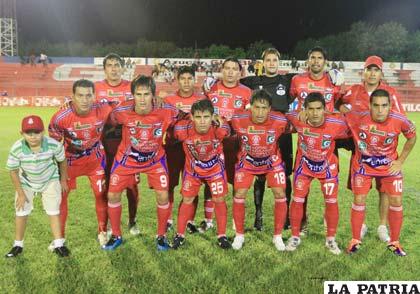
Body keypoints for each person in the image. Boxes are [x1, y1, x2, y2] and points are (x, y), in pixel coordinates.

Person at [103, 75, 181, 251]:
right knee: (112, 195)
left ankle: (161, 237)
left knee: (163, 195)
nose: (142, 99)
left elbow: (184, 117)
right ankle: (116, 235)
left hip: (155, 160)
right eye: (138, 94)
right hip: (126, 160)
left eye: (147, 94)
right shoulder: (122, 110)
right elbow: (107, 121)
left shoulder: (166, 109)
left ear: (153, 95)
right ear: (133, 95)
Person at [337, 55, 406, 242]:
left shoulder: (389, 93)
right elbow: (339, 103)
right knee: (360, 191)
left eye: (376, 70)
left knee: (384, 190)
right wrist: (342, 106)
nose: (372, 73)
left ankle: (382, 226)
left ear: (381, 73)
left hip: (385, 153)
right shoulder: (354, 91)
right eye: (369, 69)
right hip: (361, 152)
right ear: (364, 72)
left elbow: (401, 118)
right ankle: (362, 225)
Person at [346, 89, 416, 256]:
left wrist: (400, 161)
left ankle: (394, 242)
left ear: (390, 106)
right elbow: (332, 116)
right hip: (363, 165)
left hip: (389, 167)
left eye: (384, 106)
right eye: (376, 106)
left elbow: (412, 137)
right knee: (359, 198)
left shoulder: (400, 120)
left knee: (396, 200)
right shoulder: (357, 117)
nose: (380, 110)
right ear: (369, 106)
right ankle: (355, 240)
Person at [49, 79, 112, 246]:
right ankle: (59, 238)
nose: (85, 100)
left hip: (95, 160)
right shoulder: (60, 117)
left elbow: (128, 103)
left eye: (88, 95)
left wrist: (158, 98)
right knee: (61, 198)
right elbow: (53, 146)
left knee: (101, 194)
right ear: (73, 97)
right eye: (80, 96)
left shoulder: (104, 108)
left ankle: (103, 231)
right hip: (70, 162)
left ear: (94, 96)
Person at [285, 93, 348, 255]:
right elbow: (286, 113)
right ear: (305, 110)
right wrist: (297, 111)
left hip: (327, 168)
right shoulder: (298, 118)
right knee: (297, 199)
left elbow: (355, 123)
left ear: (325, 109)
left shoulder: (337, 123)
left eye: (318, 109)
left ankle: (330, 240)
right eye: (310, 109)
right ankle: (294, 236)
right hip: (304, 167)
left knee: (331, 201)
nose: (314, 113)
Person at [240, 48, 294, 231]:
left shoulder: (286, 80)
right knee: (260, 175)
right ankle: (258, 214)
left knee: (285, 176)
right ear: (262, 63)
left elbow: (308, 79)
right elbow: (231, 85)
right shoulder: (254, 81)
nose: (271, 63)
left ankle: (286, 216)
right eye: (268, 60)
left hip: (283, 135)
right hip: (261, 135)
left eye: (274, 60)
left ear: (279, 62)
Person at [230, 89, 288, 250]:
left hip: (271, 161)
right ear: (250, 107)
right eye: (256, 107)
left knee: (280, 193)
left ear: (270, 108)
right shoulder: (238, 118)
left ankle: (277, 237)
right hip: (247, 161)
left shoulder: (280, 120)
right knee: (239, 193)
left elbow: (298, 124)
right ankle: (239, 235)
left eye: (264, 108)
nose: (260, 112)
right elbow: (223, 127)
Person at [5, 115, 70, 258]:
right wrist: (21, 194)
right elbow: (13, 171)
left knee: (53, 211)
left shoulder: (53, 144)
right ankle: (18, 245)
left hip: (49, 179)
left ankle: (59, 244)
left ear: (43, 132)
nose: (33, 136)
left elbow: (62, 161)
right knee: (21, 211)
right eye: (28, 133)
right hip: (26, 181)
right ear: (22, 134)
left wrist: (63, 180)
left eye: (37, 132)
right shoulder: (17, 148)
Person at [171, 99, 231, 249]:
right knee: (187, 199)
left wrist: (221, 121)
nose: (202, 121)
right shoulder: (181, 129)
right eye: (198, 117)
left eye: (206, 117)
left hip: (215, 169)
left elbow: (229, 130)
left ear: (212, 117)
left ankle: (222, 236)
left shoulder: (221, 129)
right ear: (191, 117)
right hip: (193, 170)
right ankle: (180, 235)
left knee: (219, 198)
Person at [203, 57, 251, 232]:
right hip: (214, 144)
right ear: (222, 70)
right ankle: (208, 220)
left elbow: (249, 119)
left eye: (234, 69)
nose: (230, 72)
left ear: (240, 73)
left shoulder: (247, 92)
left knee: (237, 183)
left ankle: (235, 221)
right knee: (210, 181)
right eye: (227, 68)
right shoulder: (211, 88)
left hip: (236, 144)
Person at [95, 53, 140, 237]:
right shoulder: (96, 88)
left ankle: (132, 221)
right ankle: (103, 228)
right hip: (103, 146)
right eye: (110, 65)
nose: (114, 68)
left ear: (123, 68)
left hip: (129, 147)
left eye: (117, 65)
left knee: (132, 187)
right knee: (105, 188)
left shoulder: (132, 88)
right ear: (104, 68)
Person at [162, 66, 205, 233]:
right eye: (183, 78)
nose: (186, 82)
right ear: (177, 81)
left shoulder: (201, 99)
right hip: (173, 148)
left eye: (189, 78)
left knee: (192, 185)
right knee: (169, 185)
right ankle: (169, 219)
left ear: (194, 80)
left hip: (194, 150)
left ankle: (189, 220)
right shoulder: (169, 100)